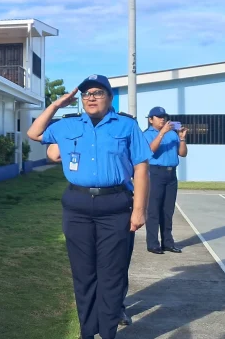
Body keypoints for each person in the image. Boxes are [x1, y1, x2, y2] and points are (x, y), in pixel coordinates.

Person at [28, 74, 151, 339]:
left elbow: (141, 168)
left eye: (98, 92)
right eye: (86, 94)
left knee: (111, 274)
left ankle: (107, 333)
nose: (91, 98)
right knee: (83, 274)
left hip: (115, 205)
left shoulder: (127, 126)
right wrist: (56, 105)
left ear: (110, 97)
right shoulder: (68, 124)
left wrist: (139, 209)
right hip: (78, 206)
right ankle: (87, 332)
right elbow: (34, 133)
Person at [143, 106, 188, 255]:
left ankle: (168, 242)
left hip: (171, 174)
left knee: (168, 211)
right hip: (155, 173)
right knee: (153, 210)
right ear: (151, 119)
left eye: (164, 117)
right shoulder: (147, 134)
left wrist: (182, 138)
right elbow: (150, 150)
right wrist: (161, 133)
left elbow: (182, 153)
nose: (163, 119)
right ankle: (152, 244)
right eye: (159, 117)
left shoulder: (172, 134)